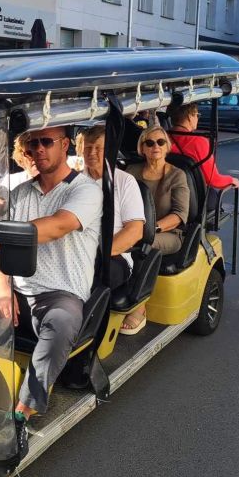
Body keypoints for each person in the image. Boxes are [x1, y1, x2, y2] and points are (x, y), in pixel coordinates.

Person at [0, 126, 102, 423]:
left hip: (59, 292)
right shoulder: (18, 193)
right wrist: (0, 283)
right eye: (33, 143)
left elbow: (58, 225)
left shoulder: (85, 190)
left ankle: (24, 409)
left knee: (63, 320)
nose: (39, 149)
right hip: (16, 285)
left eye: (47, 142)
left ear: (65, 145)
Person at [77, 125, 146, 333]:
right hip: (76, 251)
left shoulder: (125, 182)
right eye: (88, 147)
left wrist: (98, 254)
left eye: (99, 147)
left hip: (114, 255)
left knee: (88, 279)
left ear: (110, 150)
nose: (92, 153)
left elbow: (135, 230)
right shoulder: (73, 181)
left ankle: (83, 335)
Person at [126, 124, 191, 332]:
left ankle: (139, 305)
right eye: (150, 142)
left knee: (144, 243)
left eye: (160, 142)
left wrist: (151, 229)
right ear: (142, 148)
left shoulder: (177, 175)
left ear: (167, 147)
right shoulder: (132, 172)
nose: (156, 146)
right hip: (132, 229)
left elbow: (180, 215)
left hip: (167, 233)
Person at [167, 102, 239, 211]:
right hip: (193, 199)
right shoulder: (198, 141)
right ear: (190, 116)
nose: (197, 118)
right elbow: (213, 179)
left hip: (165, 193)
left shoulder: (161, 138)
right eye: (197, 115)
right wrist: (231, 180)